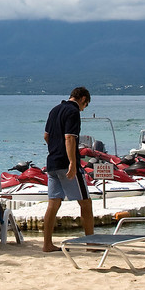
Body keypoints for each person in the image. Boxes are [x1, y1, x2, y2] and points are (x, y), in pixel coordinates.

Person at [42, 87, 94, 251]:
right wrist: (72, 162)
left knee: (53, 203)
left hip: (52, 162)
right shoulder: (73, 112)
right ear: (83, 99)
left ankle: (47, 244)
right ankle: (91, 243)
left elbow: (46, 136)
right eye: (85, 105)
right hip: (66, 163)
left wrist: (55, 149)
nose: (84, 109)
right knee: (85, 203)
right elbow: (70, 137)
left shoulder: (54, 110)